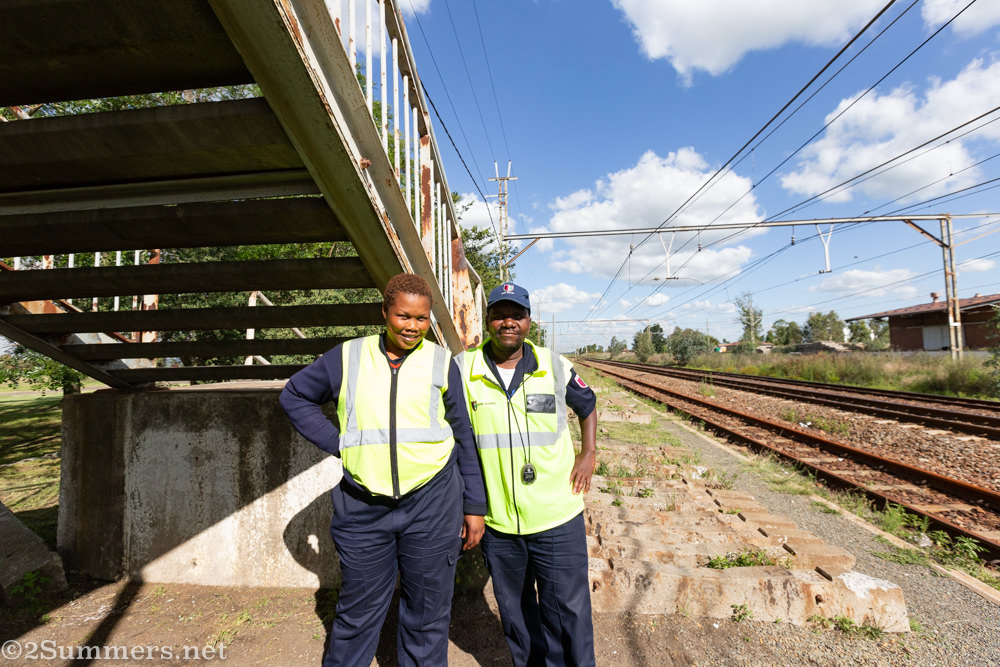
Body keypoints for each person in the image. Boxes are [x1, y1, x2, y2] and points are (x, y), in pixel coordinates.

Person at [279, 273, 486, 667]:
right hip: (363, 508)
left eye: (422, 319)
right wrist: (338, 442)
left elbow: (463, 435)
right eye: (403, 316)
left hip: (432, 503)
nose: (412, 327)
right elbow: (295, 395)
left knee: (427, 615)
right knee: (357, 612)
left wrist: (473, 505)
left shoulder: (442, 364)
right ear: (385, 312)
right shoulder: (348, 357)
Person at [456, 281, 598, 667]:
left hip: (556, 513)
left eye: (516, 315)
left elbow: (587, 404)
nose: (508, 322)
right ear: (487, 320)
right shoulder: (463, 368)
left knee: (568, 609)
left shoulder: (555, 365)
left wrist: (589, 452)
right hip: (500, 521)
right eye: (500, 315)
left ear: (528, 321)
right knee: (517, 614)